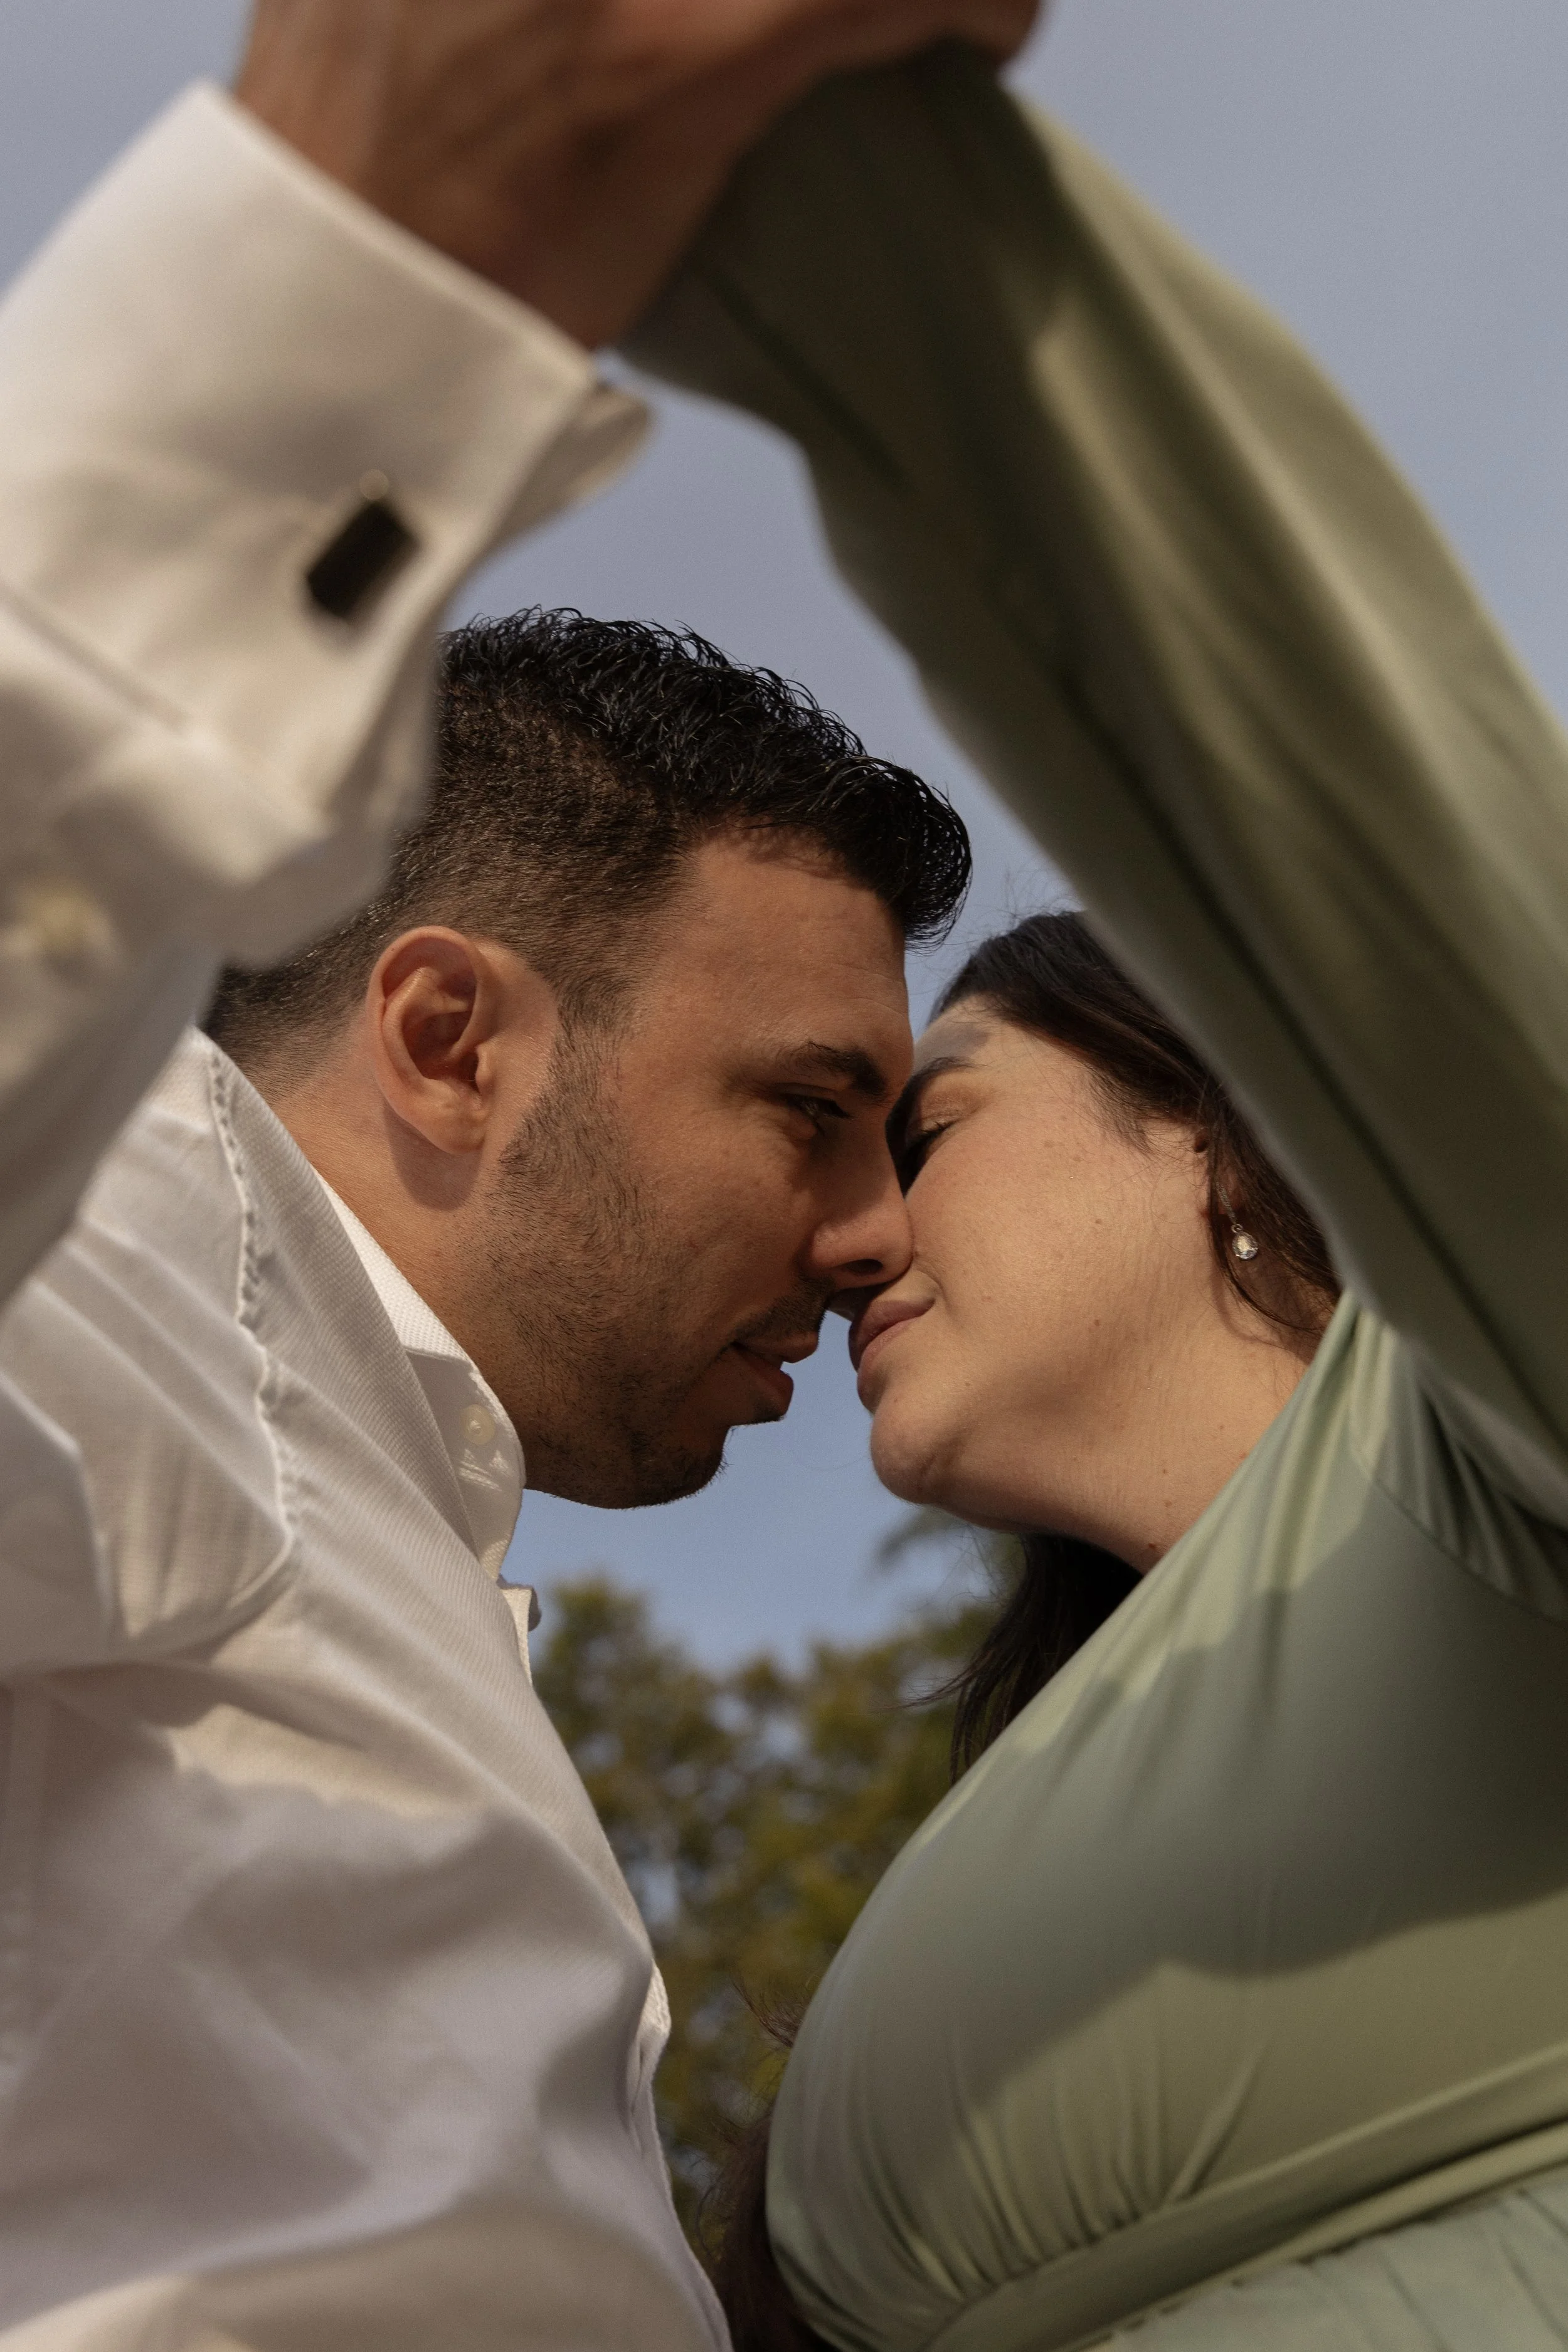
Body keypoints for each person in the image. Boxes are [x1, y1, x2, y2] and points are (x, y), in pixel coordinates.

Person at [0, 2, 1034, 2344]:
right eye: (805, 1105)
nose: (876, 1228)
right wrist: (339, 262)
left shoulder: (371, 1496)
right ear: (450, 1041)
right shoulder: (148, 1253)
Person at [632, 38, 1568, 2352]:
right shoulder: (1111, 1742)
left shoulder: (1484, 1446)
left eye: (923, 1121)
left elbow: (1318, 777)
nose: (842, 1231)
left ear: (1226, 1105)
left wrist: (795, 168)